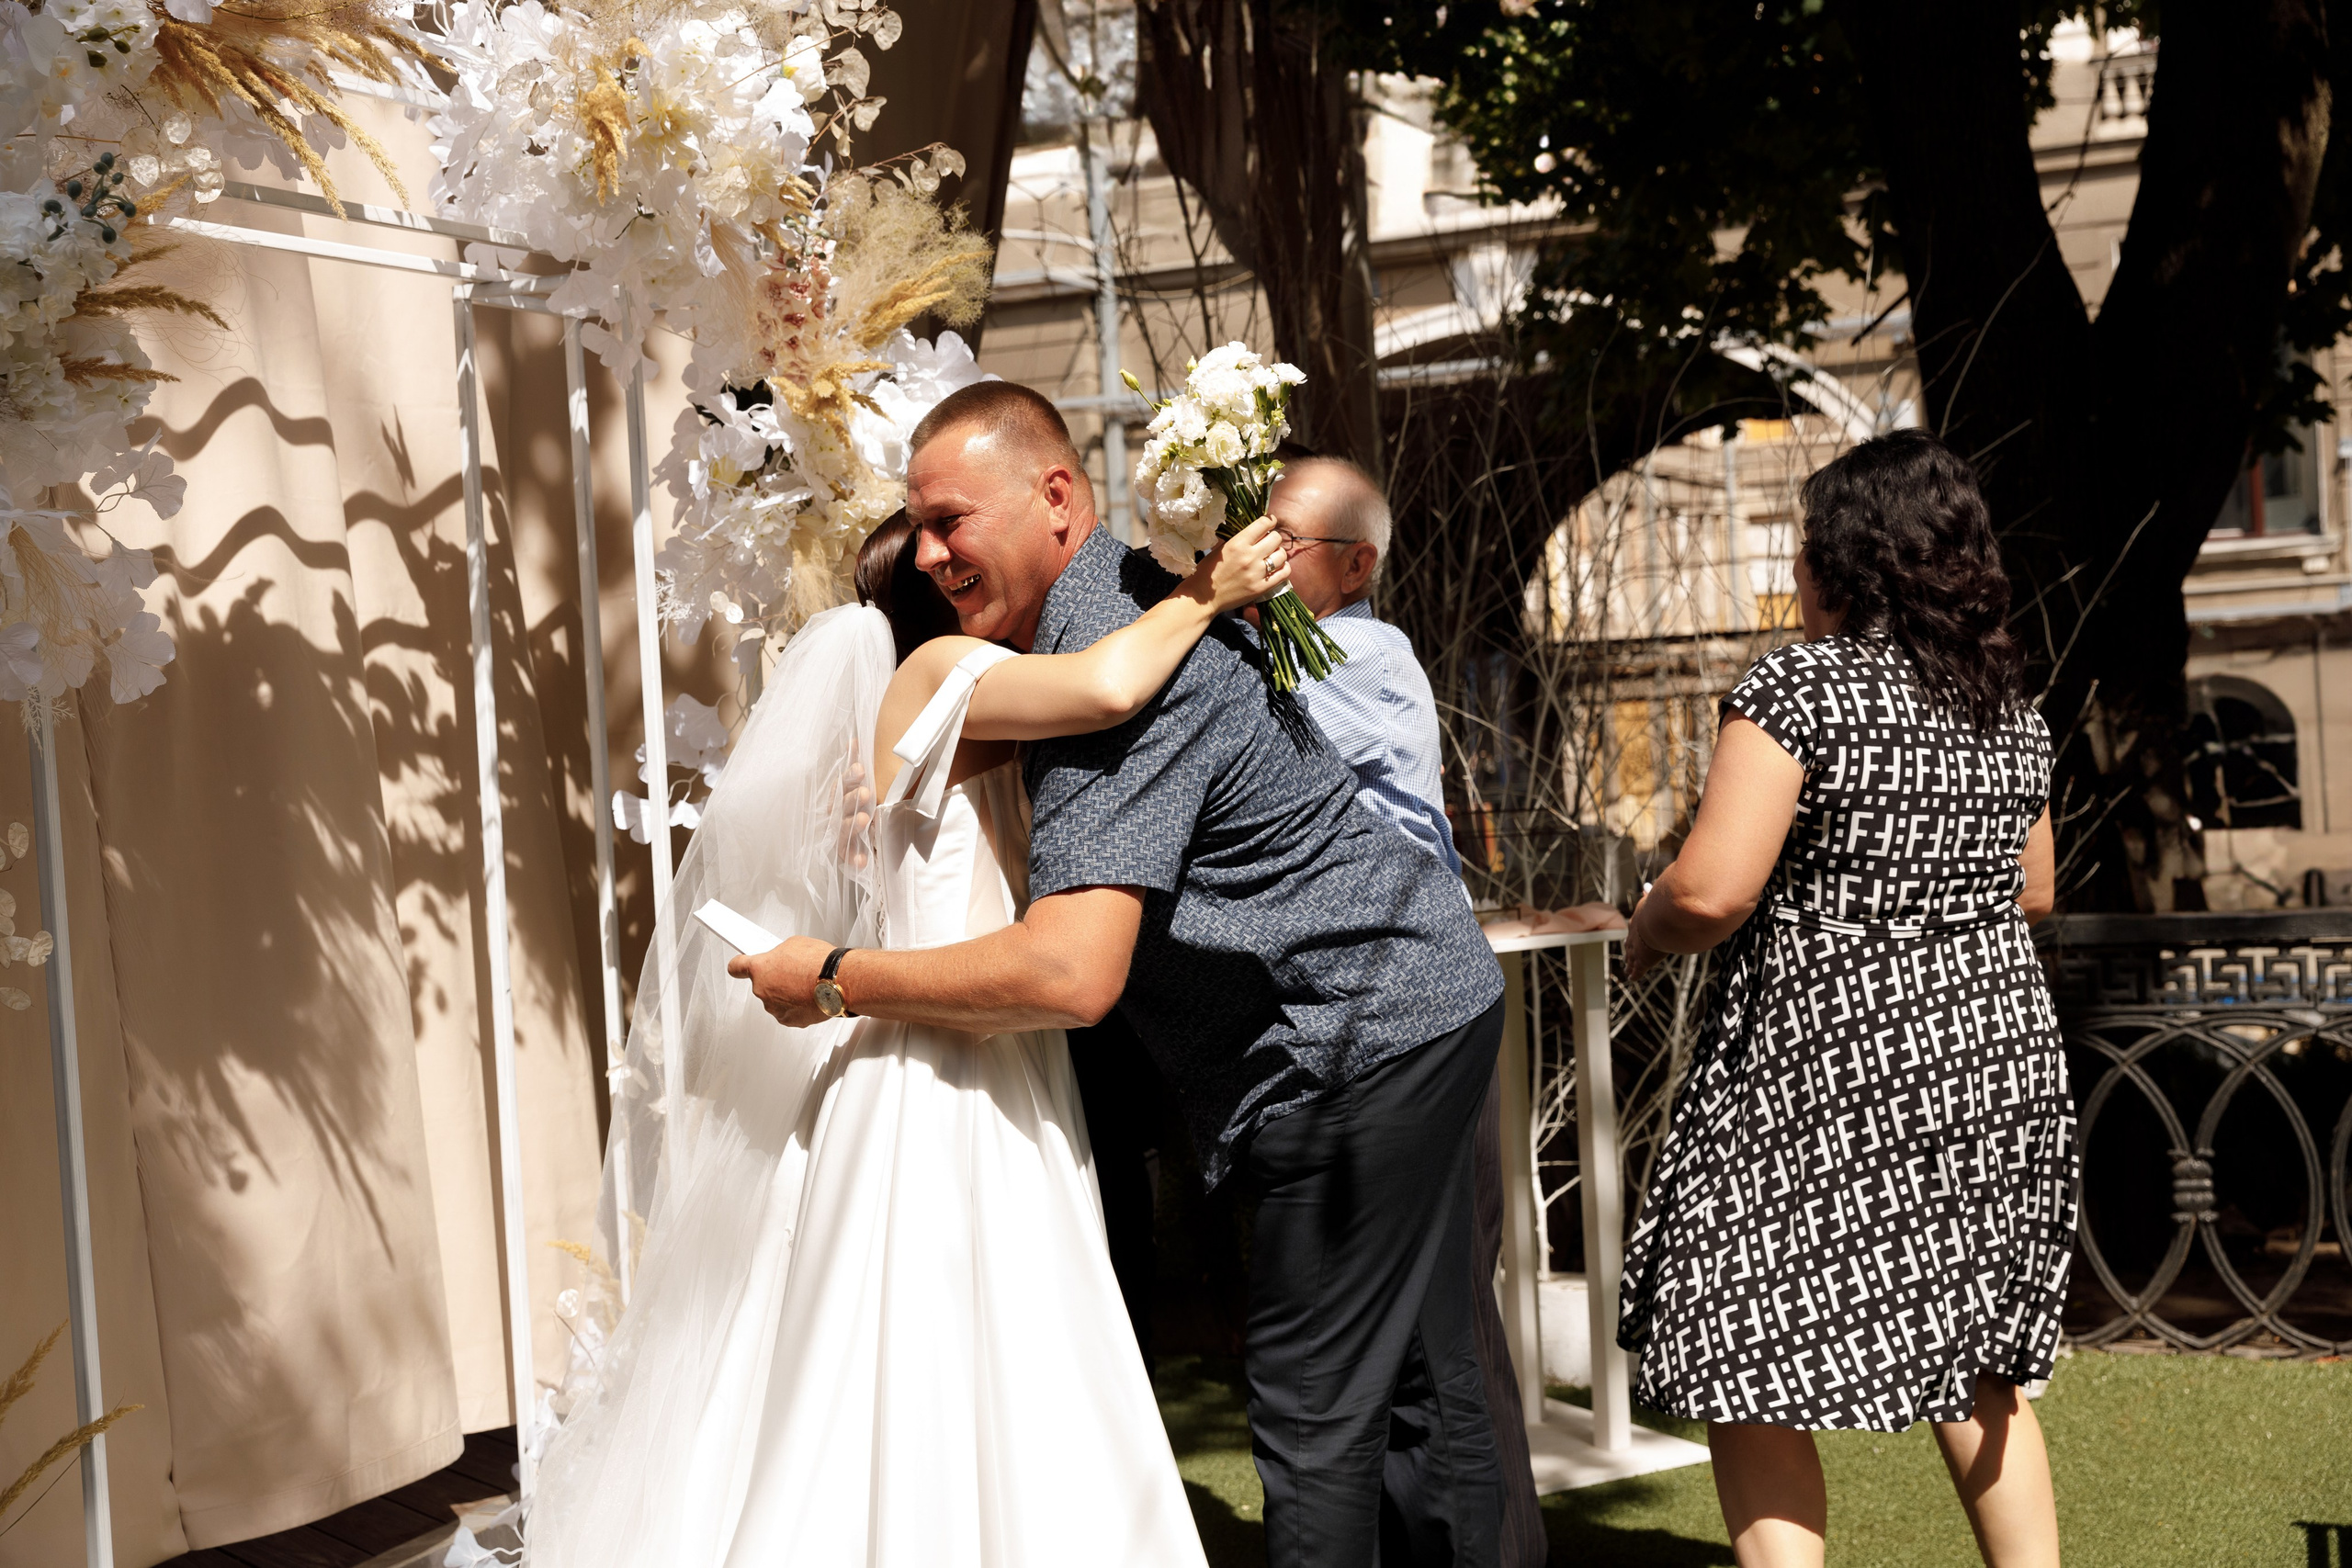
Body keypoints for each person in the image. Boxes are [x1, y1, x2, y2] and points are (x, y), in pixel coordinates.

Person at [739, 381, 1512, 1568]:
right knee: (1420, 1381)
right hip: (1401, 997)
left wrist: (837, 973)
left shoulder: (1108, 656)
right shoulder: (1086, 643)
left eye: (954, 521)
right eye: (924, 538)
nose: (941, 556)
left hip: (1357, 1033)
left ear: (1058, 496)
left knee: (1323, 1409)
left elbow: (1070, 968)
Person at [526, 502, 1295, 1566]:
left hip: (1000, 1043)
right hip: (943, 1055)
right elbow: (1109, 684)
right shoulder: (939, 672)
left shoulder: (945, 718)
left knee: (996, 1331)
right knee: (937, 1325)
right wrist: (1212, 590)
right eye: (949, 572)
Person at [1619, 428, 2073, 1568]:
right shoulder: (2000, 697)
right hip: (1992, 1055)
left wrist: (1644, 927)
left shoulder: (1800, 686)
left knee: (1742, 1332)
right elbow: (2035, 887)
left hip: (1829, 1063)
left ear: (1845, 560)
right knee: (1974, 1353)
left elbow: (1714, 889)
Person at [1267, 455, 1547, 1568]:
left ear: (1355, 563)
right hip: (1372, 1021)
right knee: (1402, 1338)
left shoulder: (1359, 653)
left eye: (1281, 538)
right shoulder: (1294, 641)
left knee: (1444, 1336)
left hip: (1417, 1017)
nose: (1256, 554)